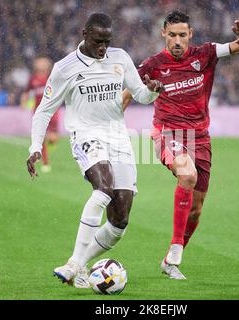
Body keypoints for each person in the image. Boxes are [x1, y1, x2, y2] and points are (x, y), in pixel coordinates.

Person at [26, 13, 162, 288]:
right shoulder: (65, 68)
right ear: (85, 33)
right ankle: (75, 262)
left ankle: (83, 264)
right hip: (86, 135)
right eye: (98, 42)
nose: (103, 48)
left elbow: (141, 95)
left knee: (119, 221)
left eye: (107, 42)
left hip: (118, 137)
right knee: (103, 189)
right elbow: (44, 110)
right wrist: (35, 146)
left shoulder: (120, 58)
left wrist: (152, 91)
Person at [122, 11, 239, 279]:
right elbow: (127, 94)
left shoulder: (205, 54)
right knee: (186, 173)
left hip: (200, 137)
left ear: (190, 34)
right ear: (163, 35)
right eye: (172, 35)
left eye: (182, 35)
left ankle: (169, 262)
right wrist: (110, 127)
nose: (178, 40)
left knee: (196, 208)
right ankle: (176, 245)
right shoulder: (152, 65)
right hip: (166, 133)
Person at [21, 57, 60, 173]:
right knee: (41, 138)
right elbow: (27, 91)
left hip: (53, 111)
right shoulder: (33, 79)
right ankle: (45, 162)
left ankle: (51, 142)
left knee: (53, 138)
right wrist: (24, 101)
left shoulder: (52, 76)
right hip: (39, 111)